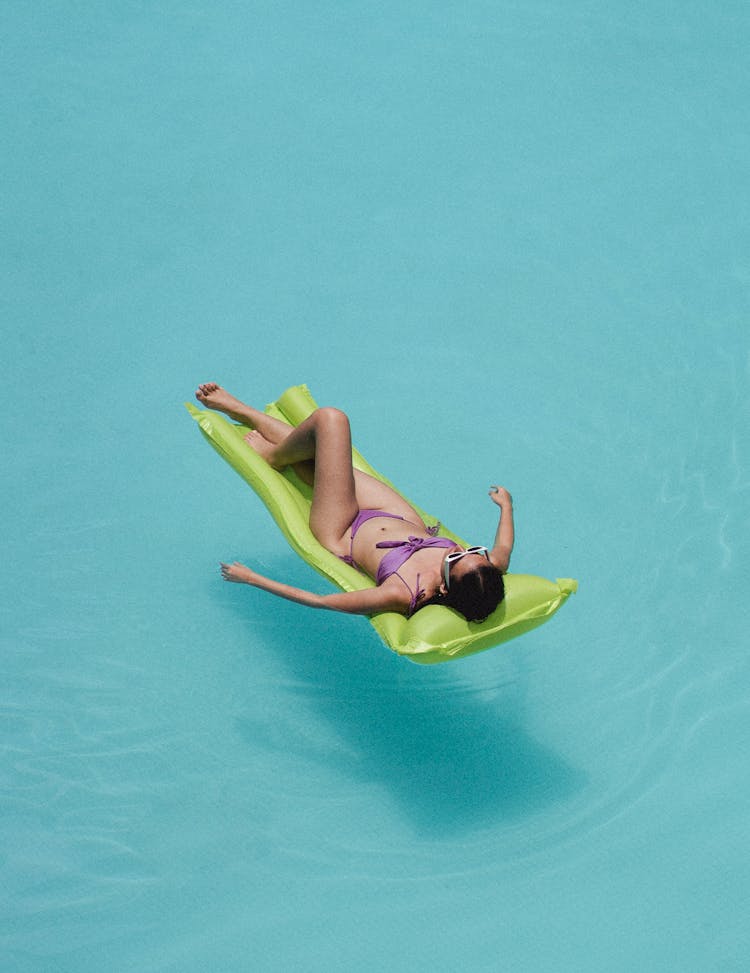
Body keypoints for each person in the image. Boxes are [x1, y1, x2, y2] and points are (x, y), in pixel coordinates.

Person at [196, 383, 515, 623]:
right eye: (474, 551)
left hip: (344, 528)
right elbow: (503, 549)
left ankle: (263, 438)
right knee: (324, 455)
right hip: (395, 515)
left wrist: (252, 579)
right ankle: (261, 429)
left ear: (445, 589)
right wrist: (505, 506)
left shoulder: (402, 593)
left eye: (456, 559)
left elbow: (322, 602)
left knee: (331, 421)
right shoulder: (486, 570)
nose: (462, 549)